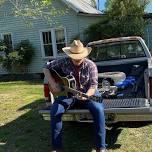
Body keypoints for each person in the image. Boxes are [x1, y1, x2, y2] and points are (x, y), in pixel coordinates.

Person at [43, 40, 106, 152]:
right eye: (74, 58)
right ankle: (56, 148)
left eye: (79, 57)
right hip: (69, 95)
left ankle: (101, 147)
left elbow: (93, 86)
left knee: (98, 109)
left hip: (87, 93)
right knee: (55, 111)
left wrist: (86, 95)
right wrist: (53, 83)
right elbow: (46, 67)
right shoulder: (63, 62)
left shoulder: (91, 65)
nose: (77, 60)